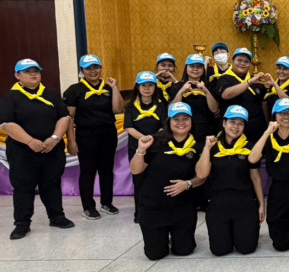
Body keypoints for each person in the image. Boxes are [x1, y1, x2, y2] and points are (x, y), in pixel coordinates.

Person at [1, 59, 74, 239]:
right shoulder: (10, 97)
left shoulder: (51, 95)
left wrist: (55, 138)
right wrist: (30, 141)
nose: (33, 74)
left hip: (51, 149)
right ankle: (22, 223)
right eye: (27, 71)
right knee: (23, 187)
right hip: (23, 152)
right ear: (17, 75)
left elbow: (64, 117)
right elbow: (6, 124)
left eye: (36, 71)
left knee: (52, 184)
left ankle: (56, 216)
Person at [131, 102, 204, 260]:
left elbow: (202, 177)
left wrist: (188, 183)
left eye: (185, 118)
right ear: (169, 122)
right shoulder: (155, 141)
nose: (181, 122)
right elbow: (136, 170)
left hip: (182, 207)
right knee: (155, 254)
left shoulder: (198, 145)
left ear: (191, 121)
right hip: (154, 206)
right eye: (176, 119)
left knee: (184, 250)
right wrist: (141, 150)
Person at [195, 105, 264, 256]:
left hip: (244, 201)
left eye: (240, 123)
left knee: (246, 248)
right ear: (224, 123)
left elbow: (255, 177)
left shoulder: (250, 147)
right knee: (219, 250)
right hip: (218, 202)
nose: (236, 127)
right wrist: (206, 149)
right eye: (232, 122)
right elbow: (201, 174)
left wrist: (261, 205)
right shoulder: (213, 146)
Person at [64, 54, 124, 219]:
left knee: (107, 170)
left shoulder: (108, 87)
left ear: (101, 69)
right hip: (86, 135)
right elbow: (69, 118)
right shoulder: (74, 90)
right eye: (88, 68)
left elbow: (118, 109)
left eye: (96, 67)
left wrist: (115, 87)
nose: (93, 71)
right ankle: (88, 206)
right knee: (87, 171)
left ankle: (107, 202)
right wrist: (71, 141)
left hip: (108, 133)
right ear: (82, 71)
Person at [250, 98, 289, 252]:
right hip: (278, 192)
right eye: (282, 113)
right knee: (281, 245)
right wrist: (267, 132)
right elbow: (252, 158)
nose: (286, 117)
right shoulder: (269, 138)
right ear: (274, 115)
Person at [123, 71, 167, 223]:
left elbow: (164, 127)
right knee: (139, 181)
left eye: (150, 85)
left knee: (156, 180)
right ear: (138, 87)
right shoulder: (130, 106)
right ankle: (139, 212)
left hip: (156, 148)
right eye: (143, 85)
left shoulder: (161, 105)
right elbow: (129, 127)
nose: (147, 88)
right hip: (137, 149)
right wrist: (144, 139)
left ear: (155, 87)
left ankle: (156, 210)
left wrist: (153, 139)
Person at [216, 47, 267, 142]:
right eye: (239, 60)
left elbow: (264, 105)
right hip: (233, 129)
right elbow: (226, 94)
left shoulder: (257, 81)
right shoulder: (224, 79)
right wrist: (249, 83)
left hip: (256, 129)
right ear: (233, 61)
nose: (242, 63)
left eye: (246, 61)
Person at [172, 54, 219, 142]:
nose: (195, 69)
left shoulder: (210, 87)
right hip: (183, 129)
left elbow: (214, 109)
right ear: (186, 68)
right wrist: (181, 91)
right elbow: (171, 109)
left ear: (203, 69)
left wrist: (206, 91)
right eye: (192, 66)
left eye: (199, 67)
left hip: (206, 130)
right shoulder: (177, 87)